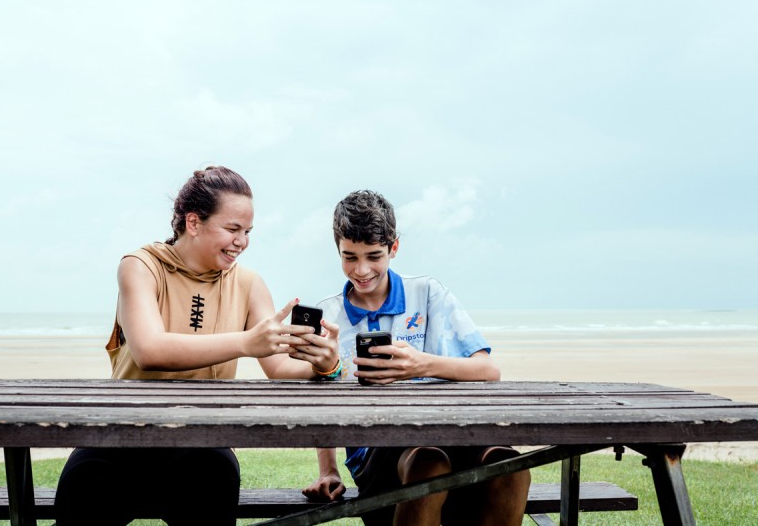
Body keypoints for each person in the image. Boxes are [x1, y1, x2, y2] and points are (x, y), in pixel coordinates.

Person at [54, 165, 341, 526]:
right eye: (232, 229)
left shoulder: (248, 283)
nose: (242, 242)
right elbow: (149, 351)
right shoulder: (140, 266)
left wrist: (324, 364)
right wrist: (245, 342)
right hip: (121, 435)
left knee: (210, 477)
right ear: (193, 222)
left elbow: (279, 366)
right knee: (83, 489)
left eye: (248, 232)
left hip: (203, 441)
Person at [302, 190, 530, 526]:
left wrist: (420, 364)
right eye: (349, 257)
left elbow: (487, 370)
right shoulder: (330, 314)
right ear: (338, 250)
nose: (361, 270)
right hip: (375, 450)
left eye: (374, 256)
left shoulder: (428, 293)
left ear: (393, 248)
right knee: (427, 462)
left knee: (509, 466)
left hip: (450, 429)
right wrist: (328, 470)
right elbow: (323, 394)